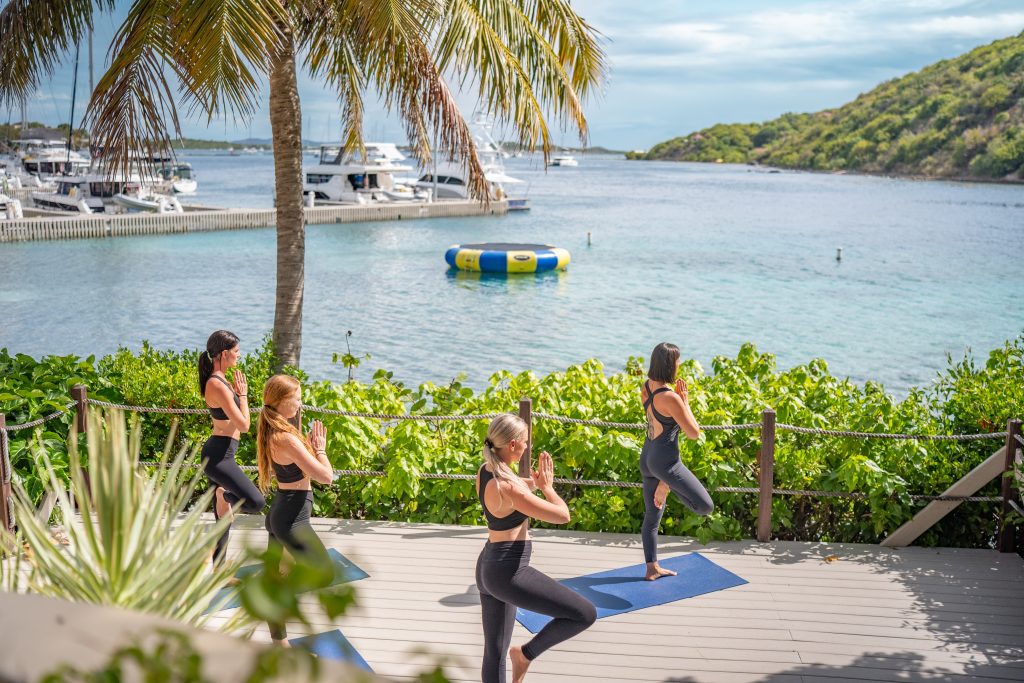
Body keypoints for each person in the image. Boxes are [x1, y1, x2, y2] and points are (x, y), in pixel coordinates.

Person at [475, 414, 596, 683]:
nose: (527, 448)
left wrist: (534, 485)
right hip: (509, 572)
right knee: (584, 614)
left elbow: (516, 489)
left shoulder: (485, 472)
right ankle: (526, 654)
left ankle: (519, 656)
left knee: (493, 654)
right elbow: (562, 515)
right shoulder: (509, 488)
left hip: (487, 566)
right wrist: (549, 489)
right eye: (526, 443)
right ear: (514, 445)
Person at [256, 374, 334, 644]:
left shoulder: (276, 430)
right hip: (291, 519)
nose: (300, 404)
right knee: (324, 573)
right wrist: (320, 450)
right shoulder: (284, 438)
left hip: (283, 511)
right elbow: (326, 476)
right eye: (296, 399)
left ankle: (280, 643)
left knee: (276, 577)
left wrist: (308, 446)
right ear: (281, 402)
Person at [639, 342, 714, 580]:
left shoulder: (646, 387)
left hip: (648, 455)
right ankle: (667, 486)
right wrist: (685, 403)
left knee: (652, 517)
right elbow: (694, 433)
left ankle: (652, 568)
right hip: (666, 462)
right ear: (671, 365)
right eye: (678, 361)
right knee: (705, 507)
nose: (680, 364)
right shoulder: (671, 397)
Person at [198, 330, 265, 565]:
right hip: (219, 457)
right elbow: (244, 425)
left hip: (223, 452)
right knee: (256, 502)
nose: (239, 355)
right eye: (236, 352)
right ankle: (223, 494)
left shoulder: (222, 380)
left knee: (223, 520)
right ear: (224, 354)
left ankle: (218, 571)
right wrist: (244, 396)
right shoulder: (217, 384)